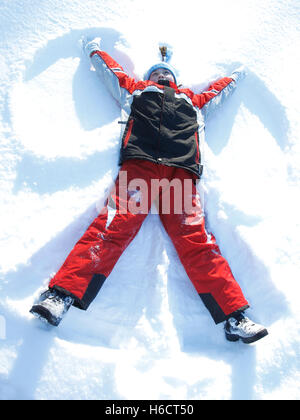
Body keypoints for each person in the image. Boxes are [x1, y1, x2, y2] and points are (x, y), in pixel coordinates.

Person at [30, 37, 268, 344]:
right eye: (156, 73)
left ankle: (235, 316)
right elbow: (110, 71)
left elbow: (218, 92)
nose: (162, 76)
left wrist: (235, 76)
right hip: (139, 168)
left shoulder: (193, 101)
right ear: (148, 77)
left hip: (181, 175)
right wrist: (94, 49)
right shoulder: (136, 90)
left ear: (175, 79)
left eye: (166, 73)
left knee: (197, 242)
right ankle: (60, 295)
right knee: (112, 228)